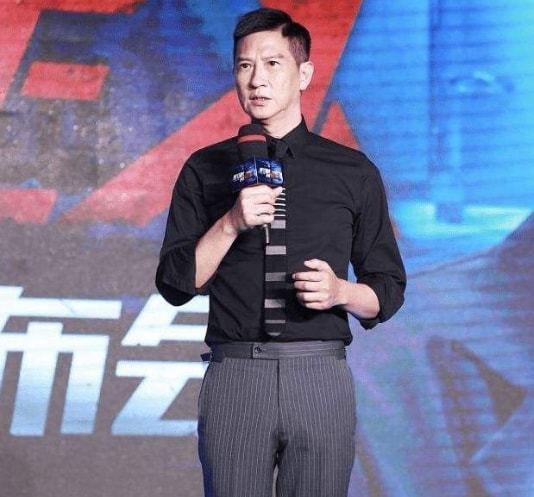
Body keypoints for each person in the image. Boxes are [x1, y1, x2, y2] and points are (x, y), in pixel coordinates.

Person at [155, 7, 406, 497]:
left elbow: (388, 289)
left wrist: (340, 291)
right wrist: (230, 222)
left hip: (318, 373)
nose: (257, 80)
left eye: (272, 64)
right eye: (245, 66)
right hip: (236, 374)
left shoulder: (351, 171)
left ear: (304, 74)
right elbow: (176, 284)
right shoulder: (205, 168)